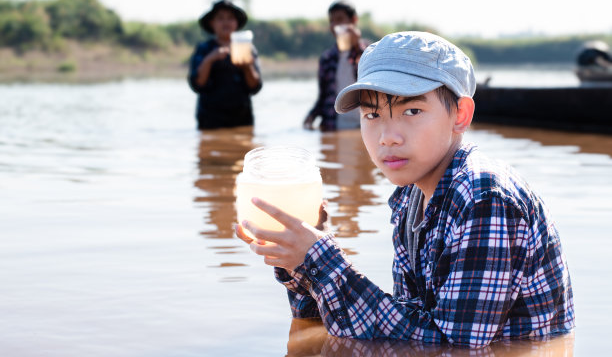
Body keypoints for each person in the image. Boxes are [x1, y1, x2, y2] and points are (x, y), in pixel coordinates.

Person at [235, 31, 575, 348]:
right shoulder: (412, 198)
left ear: (460, 114)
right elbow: (406, 324)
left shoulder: (483, 198)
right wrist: (301, 260)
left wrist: (323, 261)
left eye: (412, 111)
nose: (388, 136)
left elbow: (451, 349)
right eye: (372, 115)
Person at [187, 0, 262, 129]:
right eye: (220, 18)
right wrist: (210, 59)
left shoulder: (247, 49)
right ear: (212, 23)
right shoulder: (204, 49)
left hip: (242, 119)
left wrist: (247, 66)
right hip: (210, 119)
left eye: (230, 18)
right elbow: (197, 84)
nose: (226, 22)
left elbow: (255, 87)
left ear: (236, 23)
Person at [303, 0, 367, 131]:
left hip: (362, 127)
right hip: (334, 126)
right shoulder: (326, 58)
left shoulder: (369, 52)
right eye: (332, 21)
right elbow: (323, 97)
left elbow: (373, 85)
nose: (335, 25)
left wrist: (356, 46)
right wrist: (311, 117)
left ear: (353, 21)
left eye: (339, 19)